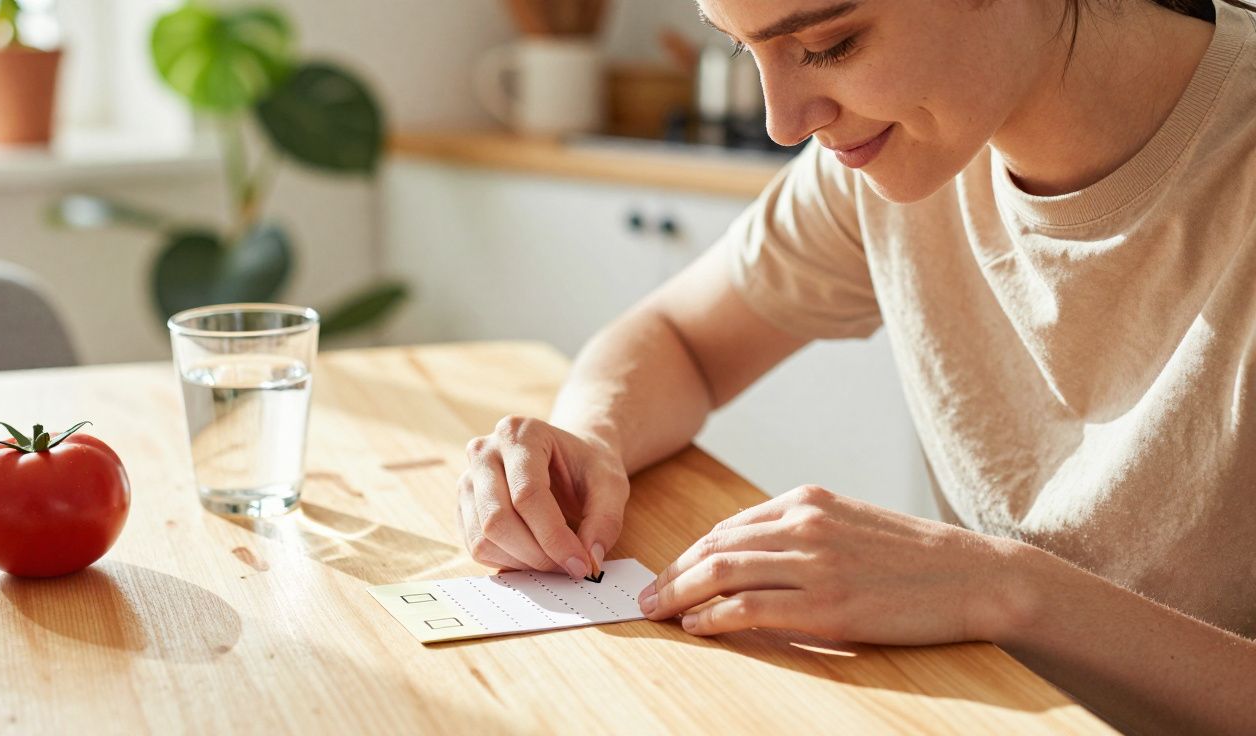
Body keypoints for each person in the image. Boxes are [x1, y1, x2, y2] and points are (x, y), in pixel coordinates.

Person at [455, 0, 1256, 732]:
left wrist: (1007, 590)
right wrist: (592, 438)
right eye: (744, 52)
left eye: (831, 43)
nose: (781, 122)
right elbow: (679, 337)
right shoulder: (895, 152)